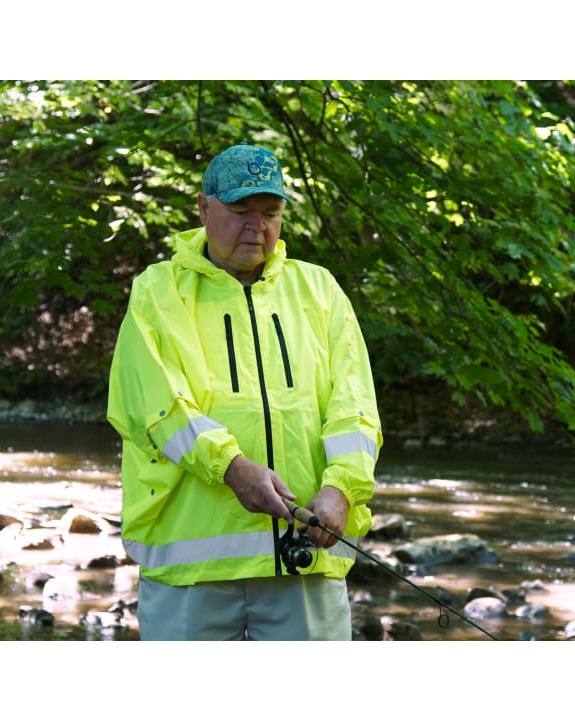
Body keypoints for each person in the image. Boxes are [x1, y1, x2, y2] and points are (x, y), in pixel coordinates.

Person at [107, 143, 382, 640]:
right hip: (190, 568)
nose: (257, 227)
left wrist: (341, 488)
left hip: (306, 561)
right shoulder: (157, 292)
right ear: (204, 208)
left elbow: (356, 407)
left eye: (270, 213)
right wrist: (231, 467)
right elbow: (155, 408)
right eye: (240, 212)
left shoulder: (319, 290)